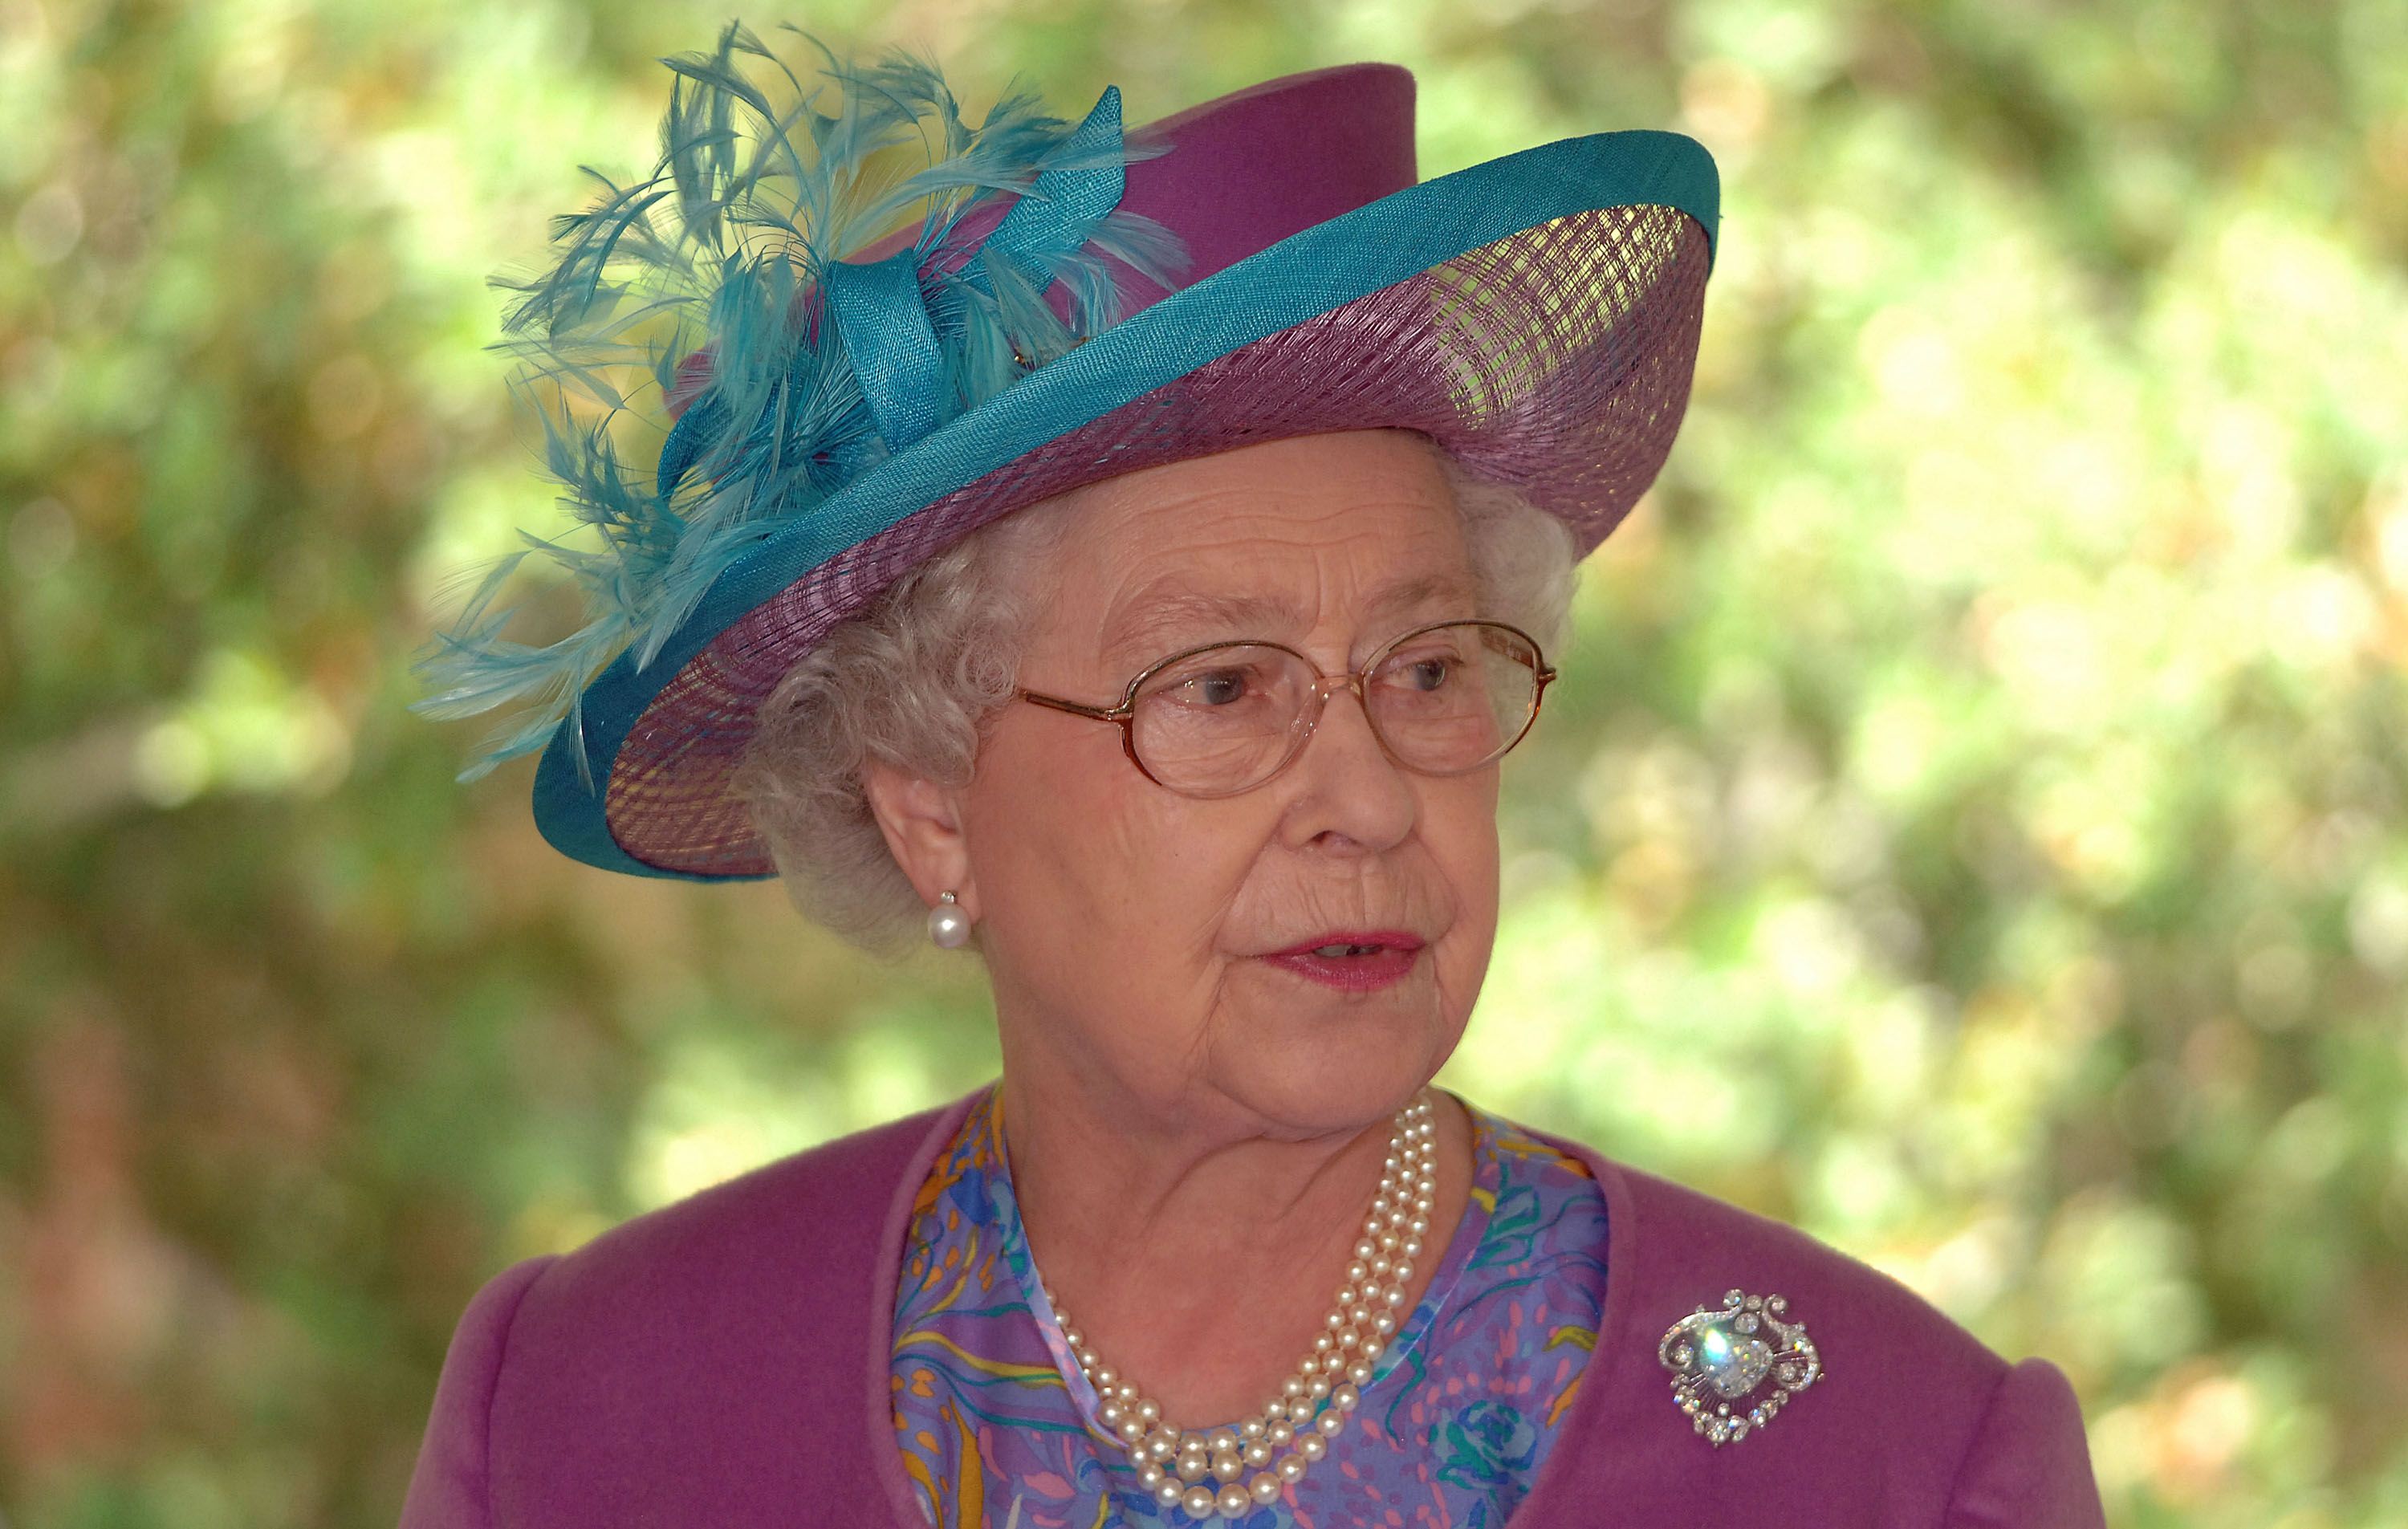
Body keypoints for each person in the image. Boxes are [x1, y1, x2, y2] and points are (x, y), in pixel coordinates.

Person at [402, 25, 2106, 1528]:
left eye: (1430, 671)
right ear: (928, 798)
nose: (1369, 798)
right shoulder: (592, 1408)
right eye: (1221, 688)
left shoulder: (1888, 1458)